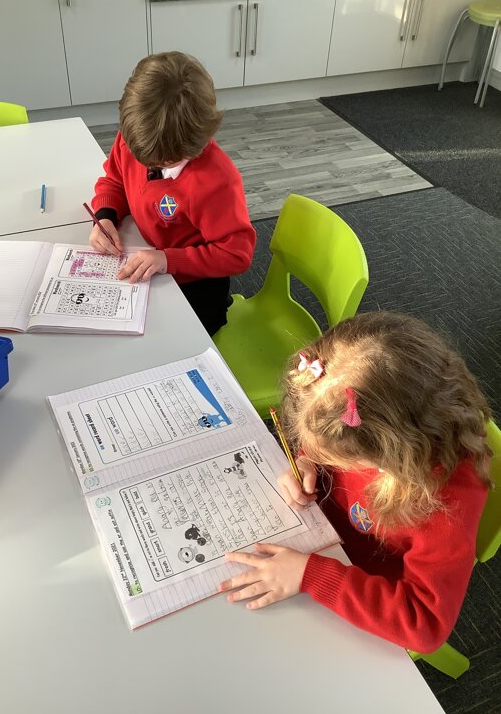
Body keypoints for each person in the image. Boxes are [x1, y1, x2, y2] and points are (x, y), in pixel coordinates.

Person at [219, 312, 492, 653]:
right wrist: (306, 461)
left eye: (338, 458)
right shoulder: (371, 428)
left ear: (391, 456)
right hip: (316, 545)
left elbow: (425, 625)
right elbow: (335, 441)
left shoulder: (443, 503)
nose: (333, 463)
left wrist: (312, 575)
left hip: (360, 592)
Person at [89, 51, 256, 336]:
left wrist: (168, 259)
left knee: (161, 342)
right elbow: (115, 180)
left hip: (195, 288)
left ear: (193, 146)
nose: (147, 167)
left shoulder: (215, 182)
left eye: (161, 163)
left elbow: (236, 254)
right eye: (141, 158)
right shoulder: (138, 138)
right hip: (149, 263)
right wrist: (105, 216)